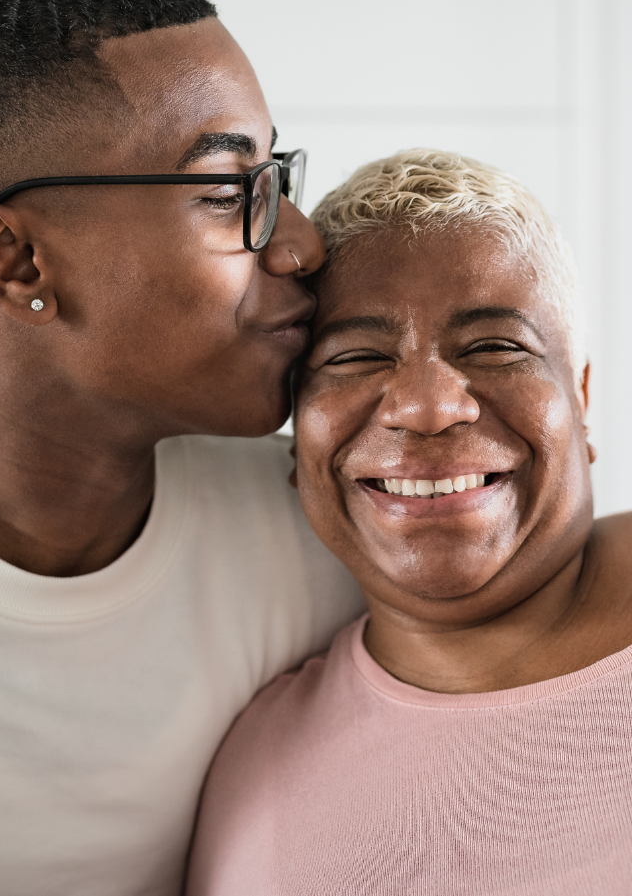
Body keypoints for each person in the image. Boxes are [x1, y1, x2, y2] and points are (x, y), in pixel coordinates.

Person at [0, 0, 364, 896]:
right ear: (13, 258)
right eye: (229, 191)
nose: (301, 243)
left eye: (278, 177)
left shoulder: (322, 525)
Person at [187, 149, 632, 895]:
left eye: (496, 346)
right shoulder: (253, 771)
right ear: (298, 443)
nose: (426, 406)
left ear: (580, 398)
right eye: (357, 357)